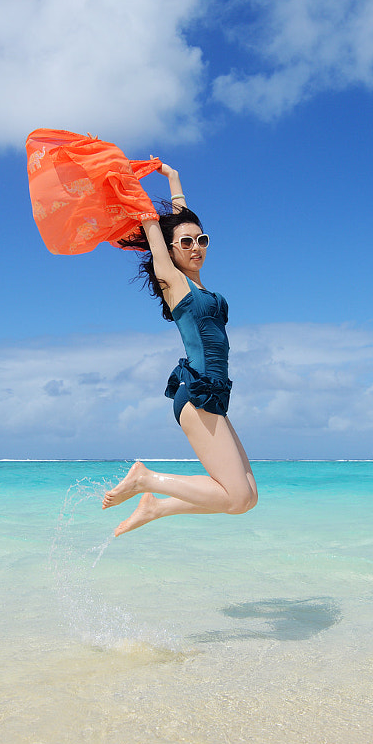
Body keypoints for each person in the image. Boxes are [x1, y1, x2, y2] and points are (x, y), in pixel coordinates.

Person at [101, 164, 257, 535]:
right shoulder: (174, 282)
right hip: (197, 393)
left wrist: (173, 180)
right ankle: (145, 480)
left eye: (201, 240)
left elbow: (180, 220)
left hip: (215, 395)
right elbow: (156, 231)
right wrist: (134, 190)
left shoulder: (204, 289)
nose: (195, 247)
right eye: (185, 243)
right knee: (234, 497)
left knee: (248, 496)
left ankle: (155, 507)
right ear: (171, 251)